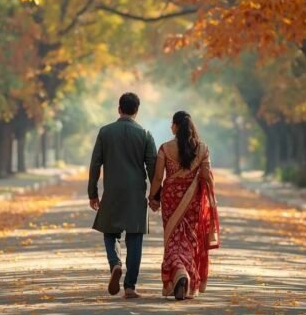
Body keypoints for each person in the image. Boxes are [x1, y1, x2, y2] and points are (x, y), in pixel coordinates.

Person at [88, 92, 157, 299]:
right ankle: (130, 286)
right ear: (137, 111)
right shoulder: (145, 134)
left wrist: (93, 193)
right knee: (135, 236)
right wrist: (155, 196)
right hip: (136, 192)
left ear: (119, 109)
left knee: (110, 232)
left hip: (113, 190)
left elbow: (95, 164)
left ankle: (115, 263)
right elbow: (153, 167)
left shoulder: (105, 132)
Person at [148, 111, 220, 301]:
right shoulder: (203, 149)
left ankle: (179, 273)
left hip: (171, 197)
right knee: (189, 239)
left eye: (172, 124)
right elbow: (206, 176)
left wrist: (152, 196)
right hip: (192, 199)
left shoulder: (165, 148)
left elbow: (157, 178)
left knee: (173, 237)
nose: (170, 127)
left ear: (176, 126)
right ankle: (185, 274)